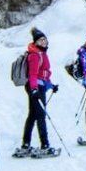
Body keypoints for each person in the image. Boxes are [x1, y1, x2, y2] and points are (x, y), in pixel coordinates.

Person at [18, 28, 58, 157]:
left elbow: (44, 73)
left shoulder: (42, 53)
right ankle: (44, 144)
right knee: (40, 115)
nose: (44, 41)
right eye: (41, 40)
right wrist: (34, 89)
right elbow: (33, 74)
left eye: (45, 39)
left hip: (39, 87)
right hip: (35, 88)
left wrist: (51, 85)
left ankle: (26, 144)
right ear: (36, 42)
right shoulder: (35, 55)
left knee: (33, 115)